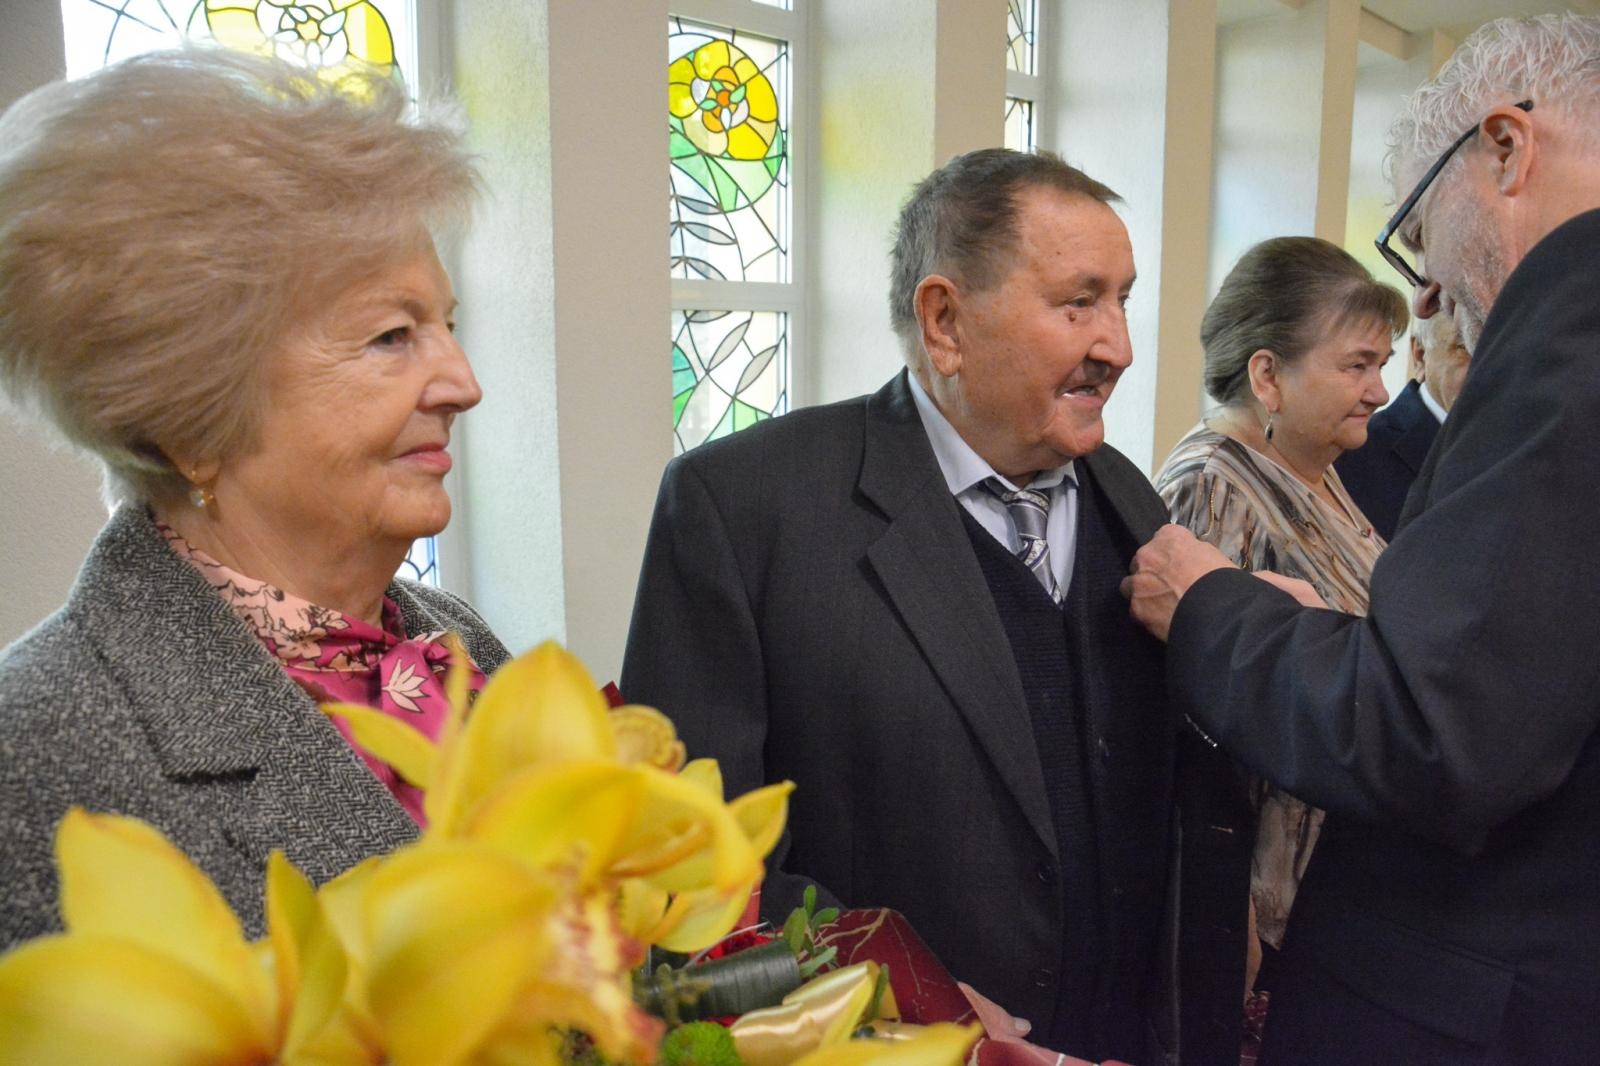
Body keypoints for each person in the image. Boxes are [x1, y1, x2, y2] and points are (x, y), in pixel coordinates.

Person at [623, 148, 1242, 1063]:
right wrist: (899, 993)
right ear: (945, 320)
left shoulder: (1128, 497)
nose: (1118, 345)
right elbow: (686, 869)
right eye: (1079, 303)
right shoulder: (745, 510)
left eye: (1122, 300)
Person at [1122, 14, 1600, 1063]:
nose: (1432, 292)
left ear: (1508, 148)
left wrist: (1224, 611)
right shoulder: (1213, 482)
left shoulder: (1572, 324)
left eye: (1421, 233)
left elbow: (1438, 728)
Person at [0, 49, 506, 947]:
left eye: (447, 327)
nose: (461, 383)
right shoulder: (31, 753)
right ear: (191, 422)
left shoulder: (458, 640)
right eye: (393, 336)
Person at [1154, 236, 1404, 1042]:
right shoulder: (1210, 483)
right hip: (1258, 910)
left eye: (1383, 363)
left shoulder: (1316, 467)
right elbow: (1196, 734)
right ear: (1267, 375)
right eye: (1358, 365)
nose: (1380, 390)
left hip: (1331, 886)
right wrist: (1233, 920)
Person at [1334, 313, 1471, 539]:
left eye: (1501, 346)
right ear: (1420, 355)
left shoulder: (1532, 446)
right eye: (1465, 347)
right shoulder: (1349, 457)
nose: (1489, 365)